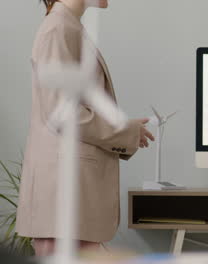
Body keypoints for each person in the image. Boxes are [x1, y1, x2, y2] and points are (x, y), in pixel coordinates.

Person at [16, 0, 155, 256]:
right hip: (64, 196)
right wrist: (125, 131)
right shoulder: (58, 29)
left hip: (70, 198)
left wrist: (126, 128)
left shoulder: (67, 26)